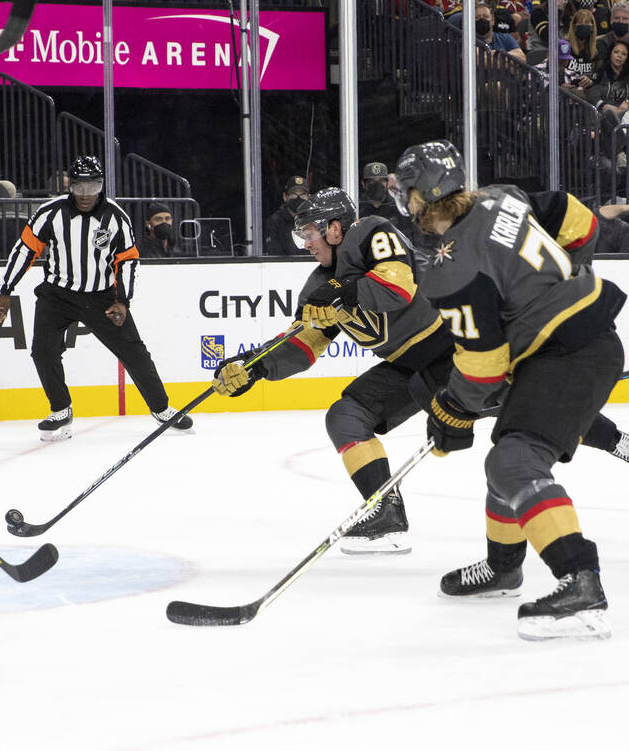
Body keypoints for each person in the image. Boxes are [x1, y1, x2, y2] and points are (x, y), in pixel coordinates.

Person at [394, 140, 624, 640]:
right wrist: (564, 280)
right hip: (573, 341)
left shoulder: (450, 266)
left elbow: (484, 365)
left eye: (407, 193)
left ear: (418, 199)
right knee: (506, 452)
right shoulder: (503, 196)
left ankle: (580, 579)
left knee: (513, 462)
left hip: (570, 352)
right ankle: (504, 567)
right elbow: (578, 218)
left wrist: (451, 409)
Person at [215, 187, 455, 553]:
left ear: (335, 228)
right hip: (409, 367)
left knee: (543, 421)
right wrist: (255, 367)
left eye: (310, 233)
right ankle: (386, 509)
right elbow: (303, 341)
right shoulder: (318, 285)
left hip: (464, 351)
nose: (306, 244)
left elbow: (397, 287)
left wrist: (345, 291)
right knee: (346, 416)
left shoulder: (372, 231)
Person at [0, 156, 193, 441]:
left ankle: (162, 409)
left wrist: (122, 300)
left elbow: (128, 261)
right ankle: (61, 410)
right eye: (79, 186)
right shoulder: (50, 213)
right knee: (43, 350)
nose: (86, 194)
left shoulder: (115, 216)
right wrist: (6, 290)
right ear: (70, 186)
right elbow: (25, 250)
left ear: (101, 185)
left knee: (134, 351)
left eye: (93, 185)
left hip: (102, 297)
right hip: (57, 295)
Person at [263, 175, 308, 255]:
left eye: (303, 195)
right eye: (293, 194)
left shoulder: (314, 221)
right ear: (285, 197)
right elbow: (274, 253)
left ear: (309, 197)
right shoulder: (274, 222)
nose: (298, 198)